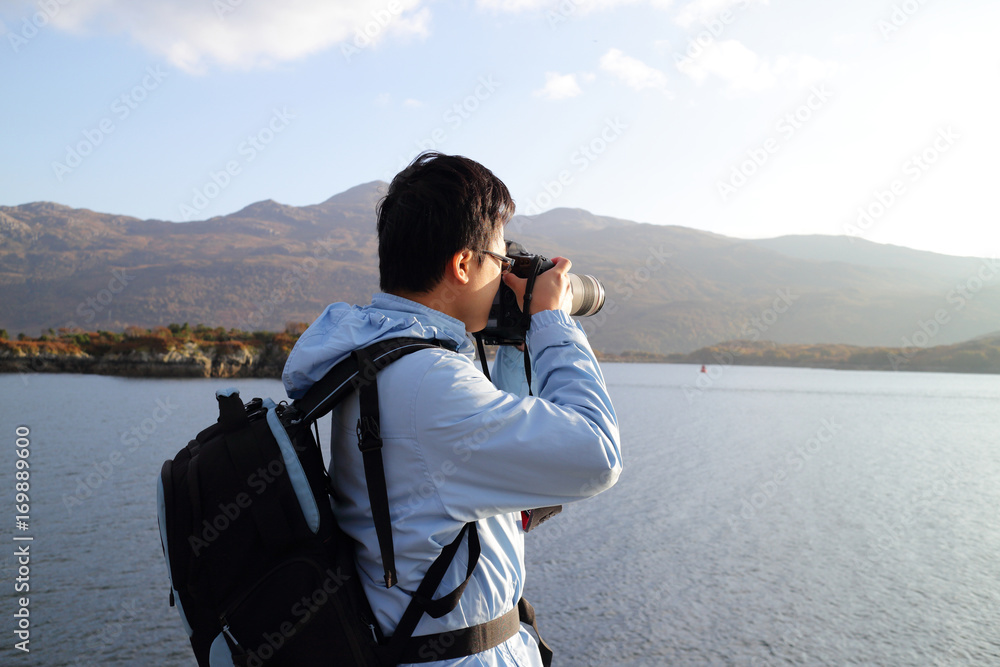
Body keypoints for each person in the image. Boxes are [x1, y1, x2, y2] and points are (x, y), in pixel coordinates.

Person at [282, 152, 622, 666]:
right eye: (500, 260)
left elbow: (506, 439)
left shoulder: (383, 360)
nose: (505, 275)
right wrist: (552, 320)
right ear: (463, 264)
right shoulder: (431, 384)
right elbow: (596, 455)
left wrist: (516, 339)